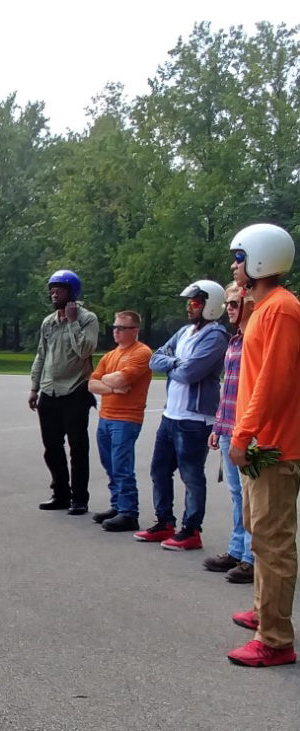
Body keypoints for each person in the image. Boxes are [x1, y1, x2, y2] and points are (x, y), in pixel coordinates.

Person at [224, 223, 300, 668]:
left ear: (259, 260)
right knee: (257, 531)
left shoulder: (283, 310)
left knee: (273, 542)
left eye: (239, 257)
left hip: (274, 446)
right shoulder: (264, 306)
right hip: (260, 445)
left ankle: (275, 640)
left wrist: (243, 434)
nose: (234, 266)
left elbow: (272, 382)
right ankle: (262, 611)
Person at [135, 280, 228, 550]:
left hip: (195, 420)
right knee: (159, 470)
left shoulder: (216, 335)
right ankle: (165, 522)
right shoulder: (185, 331)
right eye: (189, 302)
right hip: (171, 416)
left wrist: (176, 366)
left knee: (191, 475)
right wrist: (177, 362)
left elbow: (191, 373)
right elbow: (155, 358)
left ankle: (191, 530)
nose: (190, 307)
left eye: (196, 302)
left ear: (210, 305)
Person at [29, 269, 99, 515]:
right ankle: (60, 493)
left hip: (75, 391)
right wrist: (34, 387)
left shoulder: (87, 319)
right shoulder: (48, 322)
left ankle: (79, 498)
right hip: (49, 392)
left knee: (78, 448)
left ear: (72, 292)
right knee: (52, 447)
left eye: (58, 288)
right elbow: (41, 354)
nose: (53, 292)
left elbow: (85, 350)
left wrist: (72, 322)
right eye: (51, 288)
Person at [204, 283, 255, 583]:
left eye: (234, 303)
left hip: (247, 431)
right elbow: (229, 390)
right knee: (237, 495)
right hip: (228, 428)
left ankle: (251, 557)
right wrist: (219, 426)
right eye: (226, 305)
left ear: (250, 303)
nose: (229, 310)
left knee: (251, 499)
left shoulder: (256, 339)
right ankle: (237, 550)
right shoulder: (235, 341)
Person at [88, 310, 153, 532]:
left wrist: (110, 382)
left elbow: (120, 378)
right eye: (115, 327)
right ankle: (117, 504)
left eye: (121, 328)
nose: (116, 331)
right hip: (106, 417)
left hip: (127, 419)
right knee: (110, 464)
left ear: (134, 330)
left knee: (122, 466)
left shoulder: (141, 353)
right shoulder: (110, 355)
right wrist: (114, 387)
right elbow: (91, 384)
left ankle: (129, 512)